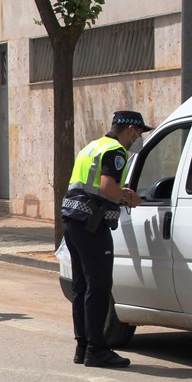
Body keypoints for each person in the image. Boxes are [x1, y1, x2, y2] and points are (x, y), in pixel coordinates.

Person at [61, 110, 150, 368]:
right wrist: (127, 197)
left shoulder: (92, 147)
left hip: (72, 220)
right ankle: (97, 349)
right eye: (140, 132)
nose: (139, 138)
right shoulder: (116, 151)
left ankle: (83, 346)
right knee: (98, 286)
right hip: (91, 224)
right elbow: (106, 187)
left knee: (81, 286)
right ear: (130, 129)